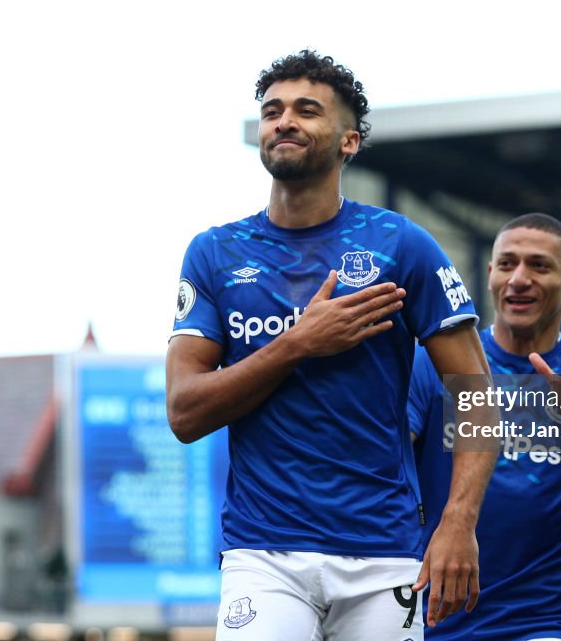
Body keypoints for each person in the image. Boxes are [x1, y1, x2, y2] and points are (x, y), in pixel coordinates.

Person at [165, 50, 498, 641]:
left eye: (306, 110)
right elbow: (185, 412)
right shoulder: (214, 252)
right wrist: (298, 344)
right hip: (263, 552)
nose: (283, 121)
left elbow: (476, 396)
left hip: (382, 552)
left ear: (348, 141)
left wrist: (458, 521)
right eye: (272, 111)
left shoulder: (401, 244)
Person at [409, 213, 561, 641]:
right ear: (489, 275)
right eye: (507, 264)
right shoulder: (434, 364)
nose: (519, 278)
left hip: (541, 625)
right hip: (429, 621)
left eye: (539, 265)